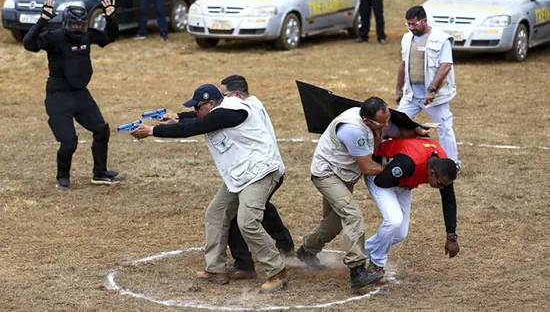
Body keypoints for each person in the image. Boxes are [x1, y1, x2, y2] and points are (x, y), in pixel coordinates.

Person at [130, 84, 290, 294]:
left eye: (198, 106)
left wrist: (153, 130)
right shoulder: (218, 111)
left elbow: (194, 127)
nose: (196, 110)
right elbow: (199, 118)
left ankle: (277, 271)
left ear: (211, 103)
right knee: (215, 214)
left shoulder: (231, 111)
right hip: (240, 175)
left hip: (261, 172)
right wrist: (178, 116)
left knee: (248, 222)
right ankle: (215, 270)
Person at [298, 97, 429, 290]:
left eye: (387, 119)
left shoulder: (379, 119)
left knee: (333, 223)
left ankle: (307, 251)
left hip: (345, 175)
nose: (386, 125)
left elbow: (398, 130)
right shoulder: (353, 130)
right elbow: (368, 167)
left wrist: (416, 130)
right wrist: (395, 170)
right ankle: (357, 270)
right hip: (327, 174)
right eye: (382, 123)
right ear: (367, 121)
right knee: (352, 215)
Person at [23, 0, 120, 191]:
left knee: (101, 130)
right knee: (69, 142)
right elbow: (29, 44)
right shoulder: (54, 38)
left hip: (80, 94)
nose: (78, 27)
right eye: (74, 24)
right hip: (58, 96)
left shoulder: (86, 36)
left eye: (81, 24)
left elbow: (109, 37)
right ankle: (63, 177)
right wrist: (42, 20)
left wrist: (110, 17)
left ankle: (100, 173)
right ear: (66, 23)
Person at [219, 75, 295, 279]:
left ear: (236, 94)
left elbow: (213, 118)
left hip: (263, 170)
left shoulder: (244, 109)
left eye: (224, 95)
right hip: (258, 169)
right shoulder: (251, 103)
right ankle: (284, 246)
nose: (222, 101)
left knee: (243, 216)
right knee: (260, 210)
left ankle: (246, 264)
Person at [364, 137, 460, 280]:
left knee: (400, 233)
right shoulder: (409, 164)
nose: (442, 187)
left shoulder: (444, 167)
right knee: (394, 221)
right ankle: (376, 265)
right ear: (432, 173)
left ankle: (359, 252)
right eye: (440, 184)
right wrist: (402, 179)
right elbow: (382, 181)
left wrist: (451, 236)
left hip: (402, 182)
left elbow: (449, 201)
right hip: (380, 176)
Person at [396, 5, 461, 170]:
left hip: (434, 97)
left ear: (424, 20)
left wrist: (431, 89)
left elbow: (446, 66)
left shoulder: (441, 39)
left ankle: (451, 164)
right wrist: (398, 89)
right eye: (408, 24)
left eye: (414, 24)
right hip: (411, 96)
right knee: (396, 124)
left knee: (444, 129)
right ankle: (397, 158)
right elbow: (403, 65)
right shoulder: (406, 38)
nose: (411, 28)